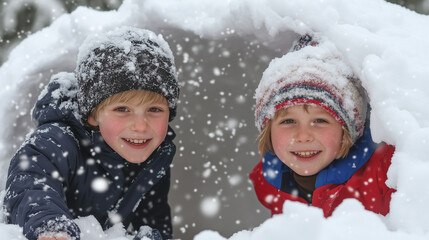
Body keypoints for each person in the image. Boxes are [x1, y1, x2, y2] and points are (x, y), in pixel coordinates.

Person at [3, 26, 180, 240]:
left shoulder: (153, 156)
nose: (141, 126)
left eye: (154, 110)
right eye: (122, 109)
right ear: (93, 115)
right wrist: (50, 227)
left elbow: (154, 217)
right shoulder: (56, 140)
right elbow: (30, 184)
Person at [250, 34, 396, 218]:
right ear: (267, 131)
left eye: (320, 121)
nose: (303, 136)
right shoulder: (272, 185)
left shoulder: (385, 173)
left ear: (347, 130)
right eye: (288, 121)